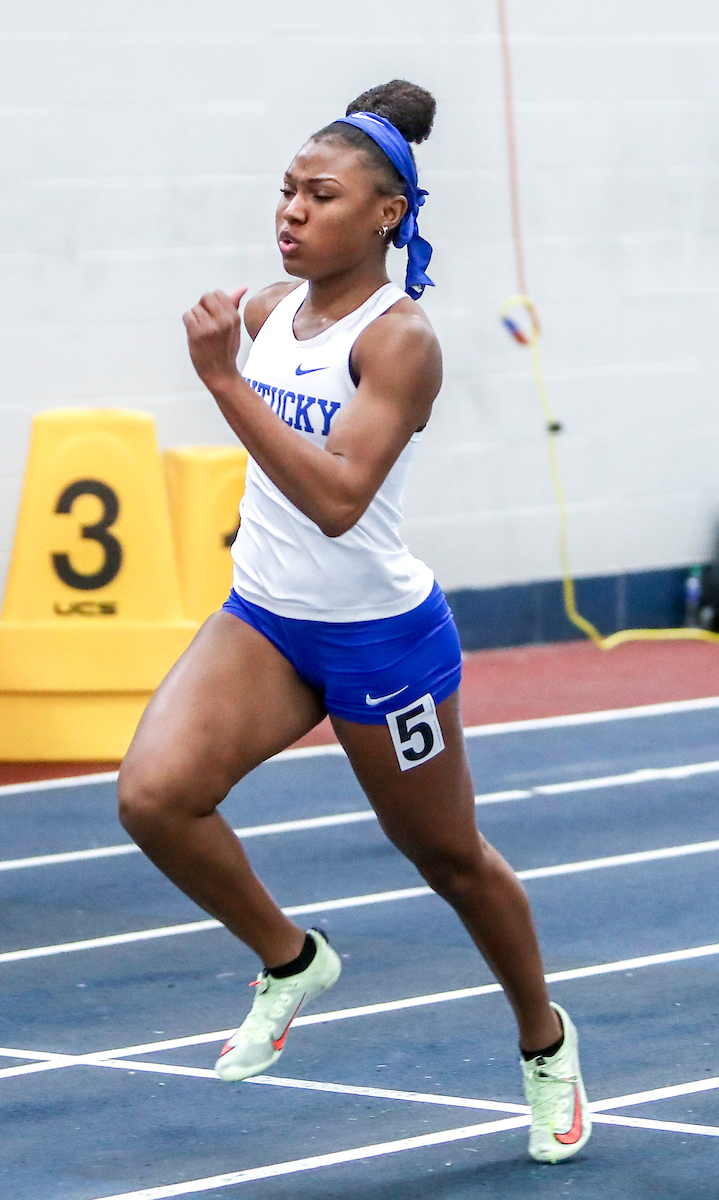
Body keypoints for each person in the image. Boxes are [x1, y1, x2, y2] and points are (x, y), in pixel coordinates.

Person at [118, 79, 590, 1165]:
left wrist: (221, 385)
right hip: (269, 624)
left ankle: (543, 1040)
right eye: (283, 190)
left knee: (447, 858)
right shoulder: (263, 310)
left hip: (380, 639)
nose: (288, 210)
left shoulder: (400, 340)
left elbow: (336, 502)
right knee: (154, 798)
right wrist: (235, 370)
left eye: (318, 195)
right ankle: (290, 961)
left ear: (384, 215)